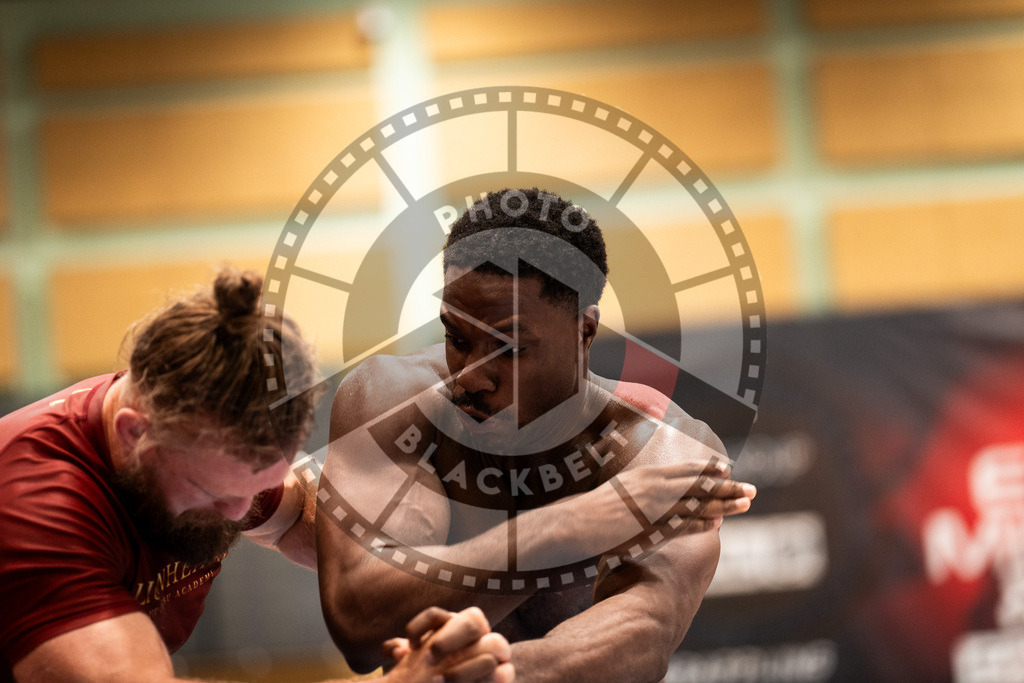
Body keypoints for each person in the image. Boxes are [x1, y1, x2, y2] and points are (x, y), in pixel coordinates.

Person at [318, 188, 757, 682]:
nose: (468, 378)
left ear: (583, 332)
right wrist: (569, 527)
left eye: (508, 349)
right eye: (457, 339)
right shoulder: (394, 403)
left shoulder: (658, 453)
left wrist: (492, 674)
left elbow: (644, 635)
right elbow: (360, 623)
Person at [0, 268, 513, 683]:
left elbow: (302, 525)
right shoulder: (34, 508)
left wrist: (439, 592)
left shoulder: (213, 450)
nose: (241, 512)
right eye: (216, 493)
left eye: (254, 487)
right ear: (135, 434)